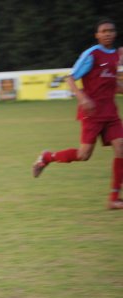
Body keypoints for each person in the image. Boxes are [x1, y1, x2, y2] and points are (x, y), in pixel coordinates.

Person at [32, 19, 123, 210]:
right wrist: (82, 97)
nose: (107, 33)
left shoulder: (115, 55)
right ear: (97, 35)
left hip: (110, 113)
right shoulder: (91, 54)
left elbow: (111, 84)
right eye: (103, 31)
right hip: (92, 112)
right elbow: (71, 78)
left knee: (121, 148)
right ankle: (47, 157)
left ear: (115, 34)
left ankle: (114, 198)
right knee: (84, 155)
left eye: (110, 30)